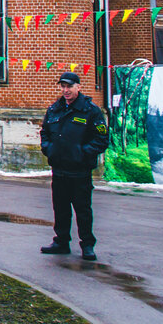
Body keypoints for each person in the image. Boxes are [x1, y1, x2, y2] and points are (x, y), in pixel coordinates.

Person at [39, 71, 109, 261]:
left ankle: (87, 245)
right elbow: (44, 132)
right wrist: (49, 148)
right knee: (60, 208)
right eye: (63, 86)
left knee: (83, 210)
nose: (65, 90)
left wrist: (82, 153)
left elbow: (102, 139)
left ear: (79, 87)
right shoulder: (55, 109)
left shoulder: (90, 110)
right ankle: (61, 241)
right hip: (59, 169)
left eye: (69, 86)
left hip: (79, 171)